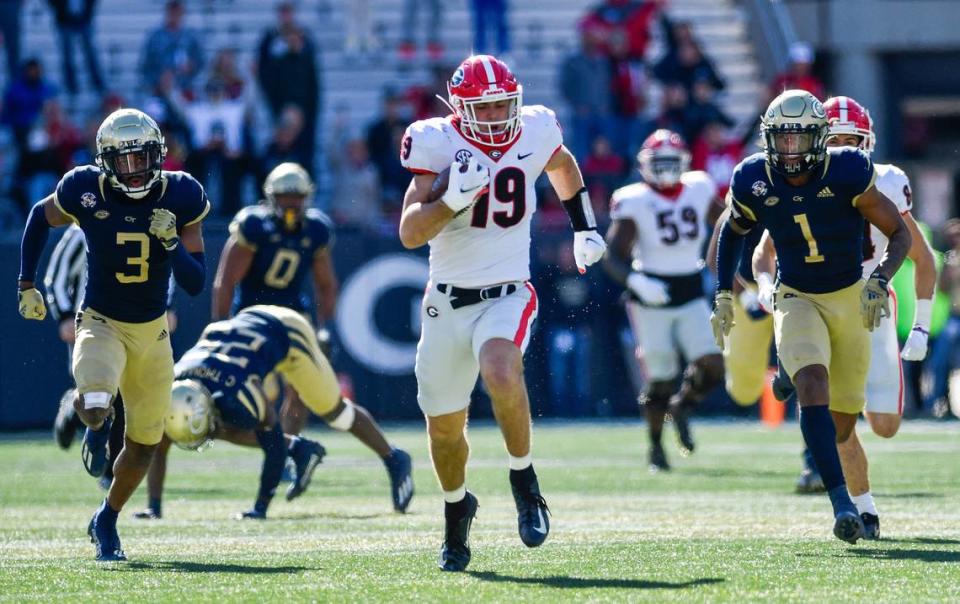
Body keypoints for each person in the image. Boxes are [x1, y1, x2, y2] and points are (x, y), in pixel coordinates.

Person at [398, 54, 607, 571]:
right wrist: (452, 200)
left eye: (501, 106)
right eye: (483, 109)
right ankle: (456, 511)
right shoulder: (434, 140)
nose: (494, 118)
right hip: (446, 300)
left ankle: (524, 479)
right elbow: (409, 232)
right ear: (459, 109)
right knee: (445, 431)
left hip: (509, 290)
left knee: (499, 368)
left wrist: (584, 225)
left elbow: (562, 164)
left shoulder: (535, 128)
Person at [711, 89, 911, 544]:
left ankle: (791, 371)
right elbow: (733, 231)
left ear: (820, 138)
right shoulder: (753, 177)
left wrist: (880, 277)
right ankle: (842, 504)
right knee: (812, 387)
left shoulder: (848, 170)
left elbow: (898, 234)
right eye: (781, 139)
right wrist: (723, 292)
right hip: (796, 294)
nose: (790, 150)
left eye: (799, 139)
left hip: (850, 297)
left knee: (842, 423)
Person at [17, 108, 210, 561]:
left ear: (157, 155)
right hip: (101, 320)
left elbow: (198, 280)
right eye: (122, 161)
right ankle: (89, 420)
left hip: (154, 331)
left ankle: (106, 518)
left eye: (141, 157)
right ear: (105, 160)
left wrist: (172, 243)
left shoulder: (182, 194)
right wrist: (26, 282)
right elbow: (39, 217)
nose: (133, 169)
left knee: (144, 446)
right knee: (99, 402)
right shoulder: (83, 187)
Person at [752, 95, 937, 537]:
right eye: (834, 140)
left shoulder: (883, 181)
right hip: (816, 299)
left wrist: (923, 324)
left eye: (851, 141)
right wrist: (763, 289)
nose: (842, 150)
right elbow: (764, 251)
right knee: (838, 418)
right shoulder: (795, 178)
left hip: (871, 303)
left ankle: (799, 383)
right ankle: (863, 508)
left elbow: (922, 256)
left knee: (887, 426)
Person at [137, 305, 414, 520]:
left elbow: (272, 435)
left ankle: (393, 457)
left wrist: (260, 507)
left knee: (334, 412)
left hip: (287, 331)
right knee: (205, 427)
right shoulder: (171, 389)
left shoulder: (239, 392)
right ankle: (301, 449)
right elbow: (158, 445)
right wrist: (154, 507)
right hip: (242, 334)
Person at [602, 129, 724, 471]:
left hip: (689, 289)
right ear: (645, 165)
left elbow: (730, 224)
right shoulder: (634, 199)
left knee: (713, 364)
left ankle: (682, 406)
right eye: (661, 163)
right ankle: (655, 446)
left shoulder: (699, 187)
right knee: (660, 379)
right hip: (650, 297)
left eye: (673, 162)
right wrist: (637, 280)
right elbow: (612, 256)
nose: (667, 170)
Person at [47, 224, 177, 492]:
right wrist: (63, 315)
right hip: (96, 325)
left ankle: (111, 468)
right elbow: (58, 277)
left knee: (123, 398)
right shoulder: (83, 226)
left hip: (141, 325)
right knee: (103, 394)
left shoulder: (152, 221)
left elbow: (166, 271)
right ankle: (76, 412)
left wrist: (168, 306)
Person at [140, 0, 204, 96]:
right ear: (167, 13)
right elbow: (145, 66)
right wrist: (159, 79)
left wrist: (190, 67)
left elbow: (201, 62)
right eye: (172, 13)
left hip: (185, 91)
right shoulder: (155, 38)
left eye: (178, 13)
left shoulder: (191, 37)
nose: (175, 16)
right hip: (159, 92)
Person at [46, 0, 105, 94]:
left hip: (84, 19)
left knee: (90, 53)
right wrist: (59, 9)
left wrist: (87, 12)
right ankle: (71, 86)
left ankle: (97, 83)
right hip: (65, 20)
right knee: (67, 55)